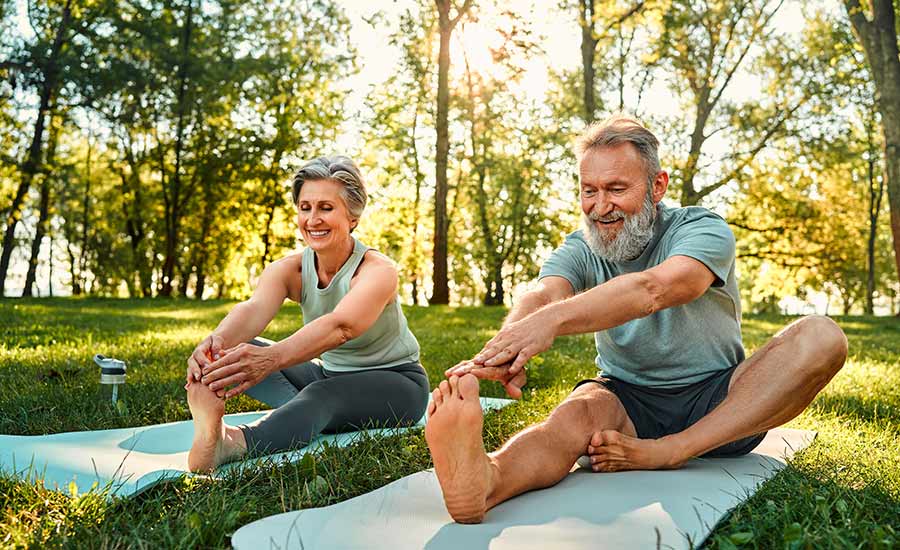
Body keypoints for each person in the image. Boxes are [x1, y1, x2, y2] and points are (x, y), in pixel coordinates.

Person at [425, 115, 848, 524]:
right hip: (625, 397)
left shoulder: (702, 229)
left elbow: (654, 289)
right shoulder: (581, 246)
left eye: (616, 188)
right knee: (571, 419)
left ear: (657, 186)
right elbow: (544, 293)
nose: (600, 206)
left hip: (720, 400)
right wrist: (508, 343)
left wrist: (551, 323)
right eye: (588, 190)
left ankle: (672, 450)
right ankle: (487, 480)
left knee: (821, 336)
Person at [184, 156, 428, 472]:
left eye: (326, 208)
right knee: (230, 353)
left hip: (399, 384)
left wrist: (270, 359)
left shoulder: (377, 270)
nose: (313, 219)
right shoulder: (290, 269)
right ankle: (303, 414)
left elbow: (342, 327)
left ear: (352, 217)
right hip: (331, 374)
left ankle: (230, 443)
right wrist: (211, 348)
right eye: (305, 207)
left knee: (321, 395)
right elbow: (253, 309)